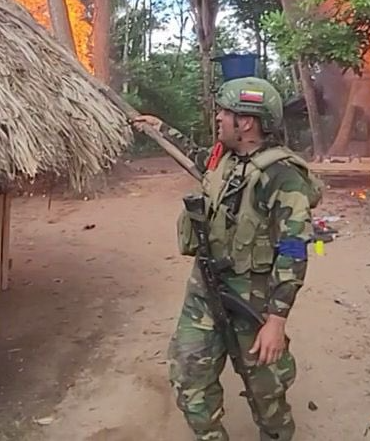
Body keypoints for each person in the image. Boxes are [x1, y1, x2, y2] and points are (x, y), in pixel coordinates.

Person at [130, 77, 321, 441]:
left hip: (252, 301)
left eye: (225, 112)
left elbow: (294, 249)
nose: (218, 118)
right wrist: (159, 128)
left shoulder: (282, 177)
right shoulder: (225, 160)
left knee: (267, 392)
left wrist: (277, 320)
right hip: (205, 290)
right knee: (189, 375)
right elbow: (195, 158)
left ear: (246, 122)